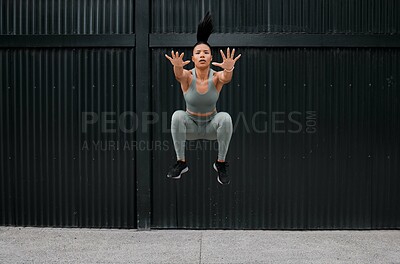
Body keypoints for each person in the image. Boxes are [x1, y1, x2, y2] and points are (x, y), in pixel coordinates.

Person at [164, 12, 241, 185]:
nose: (202, 55)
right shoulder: (187, 77)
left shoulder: (216, 77)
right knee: (177, 115)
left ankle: (220, 164)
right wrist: (176, 67)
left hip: (211, 126)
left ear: (211, 57)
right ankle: (181, 162)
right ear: (192, 58)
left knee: (226, 118)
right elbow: (179, 75)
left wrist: (229, 69)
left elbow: (226, 78)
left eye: (206, 52)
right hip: (190, 126)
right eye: (198, 52)